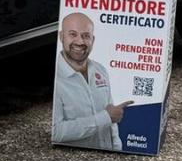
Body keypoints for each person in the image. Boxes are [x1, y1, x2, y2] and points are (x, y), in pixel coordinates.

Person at [51, 12, 131, 151]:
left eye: (86, 36)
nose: (80, 41)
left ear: (92, 40)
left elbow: (111, 121)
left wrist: (117, 149)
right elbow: (56, 132)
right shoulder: (57, 78)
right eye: (73, 34)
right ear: (61, 36)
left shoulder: (100, 70)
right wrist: (104, 118)